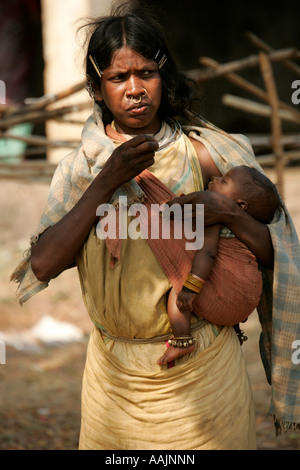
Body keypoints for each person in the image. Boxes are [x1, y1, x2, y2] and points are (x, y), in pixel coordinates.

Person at [11, 2, 300, 450]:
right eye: (118, 78)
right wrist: (107, 180)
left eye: (146, 73)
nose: (134, 90)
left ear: (164, 76)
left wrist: (228, 213)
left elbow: (273, 253)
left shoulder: (207, 155)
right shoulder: (80, 170)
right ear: (97, 86)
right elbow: (45, 264)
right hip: (114, 385)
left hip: (204, 377)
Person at [157, 165, 282, 366]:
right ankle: (236, 330)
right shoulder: (248, 227)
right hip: (248, 294)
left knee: (176, 294)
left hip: (231, 291)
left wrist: (190, 289)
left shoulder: (213, 216)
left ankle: (182, 340)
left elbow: (207, 253)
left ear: (240, 206)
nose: (214, 178)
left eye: (223, 180)